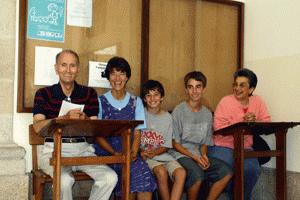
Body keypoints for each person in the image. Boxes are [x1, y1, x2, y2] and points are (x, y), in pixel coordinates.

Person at [33, 49, 118, 200]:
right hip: (53, 149)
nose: (68, 70)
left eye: (72, 66)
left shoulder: (89, 93)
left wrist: (85, 119)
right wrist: (64, 118)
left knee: (110, 177)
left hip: (83, 150)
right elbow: (38, 126)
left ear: (78, 69)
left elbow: (94, 128)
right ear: (56, 68)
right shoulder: (43, 94)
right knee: (65, 180)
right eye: (63, 65)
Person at [93, 57, 156, 200]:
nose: (117, 78)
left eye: (121, 73)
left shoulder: (136, 102)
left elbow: (138, 131)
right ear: (108, 77)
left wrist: (133, 152)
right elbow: (97, 135)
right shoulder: (100, 101)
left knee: (143, 175)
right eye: (113, 74)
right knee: (128, 175)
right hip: (107, 152)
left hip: (129, 151)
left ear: (127, 77)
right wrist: (115, 153)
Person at [208, 68, 271, 200]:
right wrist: (242, 122)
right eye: (235, 84)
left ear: (251, 89)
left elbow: (267, 123)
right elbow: (218, 127)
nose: (237, 88)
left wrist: (255, 121)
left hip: (245, 147)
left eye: (242, 85)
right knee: (231, 168)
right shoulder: (225, 101)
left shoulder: (258, 101)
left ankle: (243, 197)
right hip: (223, 146)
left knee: (252, 170)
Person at [170, 71, 232, 200]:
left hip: (198, 155)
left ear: (204, 89)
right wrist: (195, 157)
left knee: (226, 172)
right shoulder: (179, 111)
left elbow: (204, 142)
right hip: (180, 154)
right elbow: (175, 143)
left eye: (198, 86)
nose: (194, 91)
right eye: (190, 87)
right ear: (186, 90)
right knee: (198, 175)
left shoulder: (207, 114)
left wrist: (203, 156)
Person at [140, 80, 186, 200]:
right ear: (144, 99)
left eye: (156, 95)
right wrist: (142, 152)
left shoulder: (168, 118)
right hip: (146, 157)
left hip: (163, 155)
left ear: (162, 97)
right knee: (161, 172)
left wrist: (155, 152)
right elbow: (134, 139)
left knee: (181, 173)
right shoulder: (140, 114)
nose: (152, 98)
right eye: (148, 95)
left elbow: (167, 145)